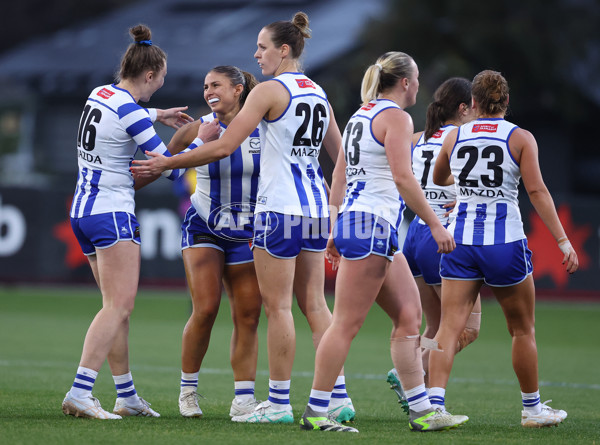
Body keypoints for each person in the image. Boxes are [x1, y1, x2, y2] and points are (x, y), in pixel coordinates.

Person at [131, 12, 354, 424]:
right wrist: (336, 213)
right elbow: (341, 159)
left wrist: (168, 162)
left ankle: (279, 404)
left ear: (283, 50)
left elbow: (224, 145)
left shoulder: (269, 90)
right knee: (316, 306)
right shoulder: (318, 92)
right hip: (314, 211)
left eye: (262, 47)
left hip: (277, 210)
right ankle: (336, 396)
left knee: (279, 310)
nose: (257, 55)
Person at [298, 52, 468, 434]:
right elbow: (404, 179)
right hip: (370, 225)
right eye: (418, 77)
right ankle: (316, 412)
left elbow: (339, 174)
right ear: (405, 82)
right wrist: (436, 225)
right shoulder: (396, 117)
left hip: (365, 226)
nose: (419, 85)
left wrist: (332, 229)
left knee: (410, 317)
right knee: (344, 324)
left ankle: (422, 411)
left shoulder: (362, 115)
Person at [62, 24, 197, 419]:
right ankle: (80, 391)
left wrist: (158, 112)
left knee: (114, 307)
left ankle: (126, 396)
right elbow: (164, 166)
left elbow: (125, 112)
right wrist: (204, 141)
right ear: (150, 75)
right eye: (160, 82)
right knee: (119, 306)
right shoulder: (132, 114)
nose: (158, 89)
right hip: (111, 213)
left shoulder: (100, 93)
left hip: (82, 212)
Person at [429, 69, 578, 428]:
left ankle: (432, 408)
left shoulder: (454, 136)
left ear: (474, 102)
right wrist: (562, 239)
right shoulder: (520, 138)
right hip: (504, 243)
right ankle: (532, 409)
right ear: (507, 102)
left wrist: (466, 187)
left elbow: (438, 177)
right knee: (522, 330)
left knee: (447, 328)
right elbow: (538, 192)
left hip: (461, 242)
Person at [166, 66, 264, 419]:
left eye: (217, 85)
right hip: (204, 225)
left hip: (247, 232)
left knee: (249, 315)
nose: (209, 90)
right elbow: (165, 166)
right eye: (205, 85)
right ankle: (188, 392)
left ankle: (243, 400)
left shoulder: (265, 128)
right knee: (206, 309)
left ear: (238, 90)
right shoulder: (198, 128)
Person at [387, 78, 481, 405]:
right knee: (466, 329)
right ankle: (409, 373)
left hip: (414, 234)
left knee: (435, 327)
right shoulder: (461, 135)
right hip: (441, 234)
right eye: (473, 107)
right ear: (462, 108)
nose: (477, 114)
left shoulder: (416, 138)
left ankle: (422, 401)